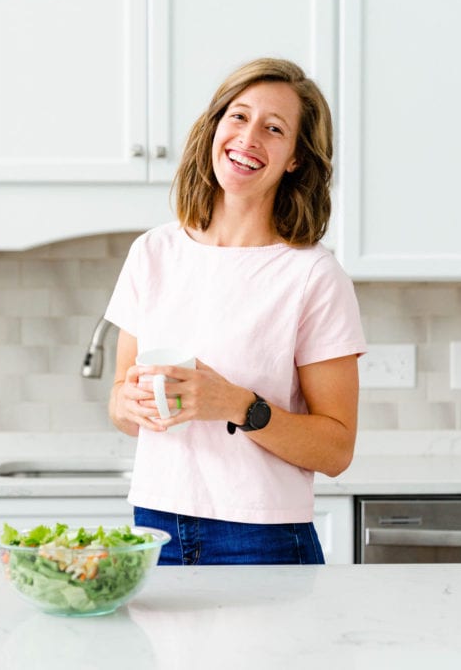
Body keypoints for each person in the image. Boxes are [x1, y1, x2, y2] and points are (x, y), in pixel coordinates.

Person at [104, 58, 366, 565]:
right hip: (155, 526)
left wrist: (237, 405)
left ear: (294, 158)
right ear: (215, 128)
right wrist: (129, 405)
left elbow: (336, 450)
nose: (248, 139)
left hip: (261, 535)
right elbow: (120, 402)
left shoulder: (312, 276)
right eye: (239, 117)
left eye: (274, 129)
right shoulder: (153, 253)